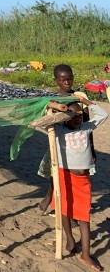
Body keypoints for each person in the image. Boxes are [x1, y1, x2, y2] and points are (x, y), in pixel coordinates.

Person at [49, 97, 107, 271]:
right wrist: (53, 108)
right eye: (73, 116)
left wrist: (86, 102)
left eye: (80, 116)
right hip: (64, 175)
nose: (77, 119)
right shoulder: (58, 129)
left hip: (83, 180)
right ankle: (70, 240)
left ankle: (86, 254)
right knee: (65, 210)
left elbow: (103, 114)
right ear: (64, 117)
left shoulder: (86, 127)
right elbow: (40, 122)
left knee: (84, 216)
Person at [38, 64, 98, 214]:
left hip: (79, 144)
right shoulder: (53, 100)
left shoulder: (79, 98)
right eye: (63, 80)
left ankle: (70, 210)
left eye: (69, 80)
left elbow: (87, 123)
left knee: (74, 179)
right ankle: (50, 197)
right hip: (60, 144)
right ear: (56, 80)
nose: (67, 83)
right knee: (57, 174)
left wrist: (91, 148)